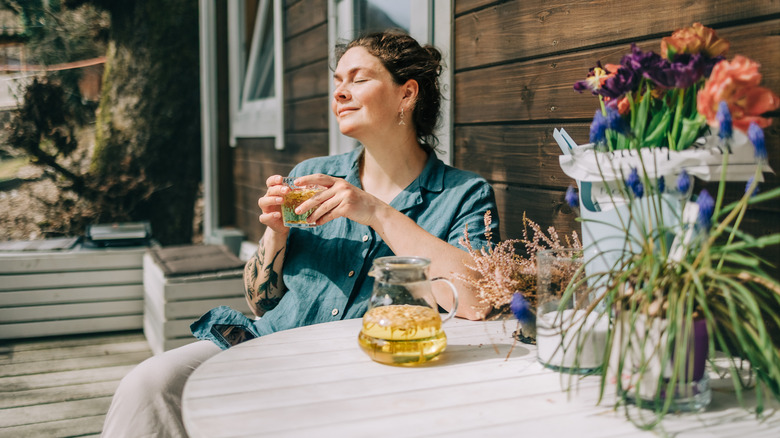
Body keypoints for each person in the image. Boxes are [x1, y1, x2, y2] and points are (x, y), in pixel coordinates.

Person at [101, 30, 499, 437]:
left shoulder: (463, 195)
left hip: (363, 372)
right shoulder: (310, 178)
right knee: (149, 384)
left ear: (406, 94)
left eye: (358, 79)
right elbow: (261, 301)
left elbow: (476, 299)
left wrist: (377, 212)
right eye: (337, 82)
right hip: (268, 347)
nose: (341, 93)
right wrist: (275, 236)